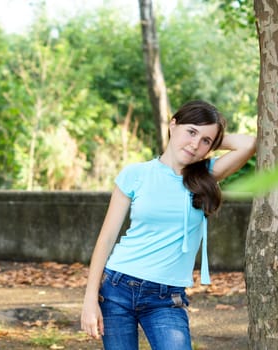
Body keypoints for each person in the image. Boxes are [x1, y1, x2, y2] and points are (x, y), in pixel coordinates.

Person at [80, 100, 256, 350]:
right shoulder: (135, 174)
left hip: (166, 299)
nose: (196, 144)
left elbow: (249, 143)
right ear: (173, 125)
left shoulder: (207, 175)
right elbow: (106, 239)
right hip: (117, 288)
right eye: (191, 131)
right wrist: (89, 300)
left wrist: (212, 138)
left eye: (206, 140)